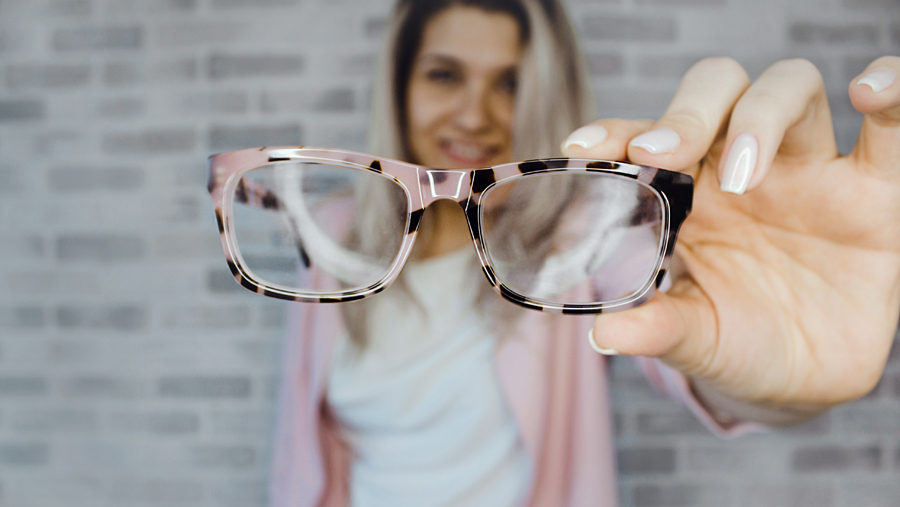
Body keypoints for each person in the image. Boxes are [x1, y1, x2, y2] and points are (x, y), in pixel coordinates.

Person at [266, 0, 900, 505]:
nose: (474, 115)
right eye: (444, 75)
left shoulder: (584, 234)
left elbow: (689, 339)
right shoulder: (332, 232)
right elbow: (302, 455)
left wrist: (787, 365)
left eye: (511, 82)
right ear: (399, 85)